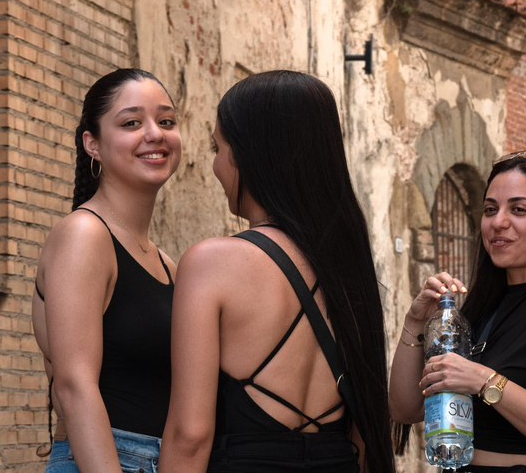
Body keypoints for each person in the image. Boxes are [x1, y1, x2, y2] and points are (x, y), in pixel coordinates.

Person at [158, 70, 395, 473]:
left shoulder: (211, 263)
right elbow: (364, 431)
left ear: (249, 154)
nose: (215, 165)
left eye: (219, 147)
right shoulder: (348, 268)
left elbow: (191, 435)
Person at [389, 150, 526, 473]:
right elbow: (405, 409)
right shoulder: (481, 311)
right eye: (490, 209)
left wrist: (483, 380)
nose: (498, 222)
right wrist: (415, 321)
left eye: (519, 209)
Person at [31, 68, 181, 473]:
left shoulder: (167, 264)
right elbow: (74, 386)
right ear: (92, 144)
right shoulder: (83, 235)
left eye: (166, 121)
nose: (155, 134)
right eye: (132, 123)